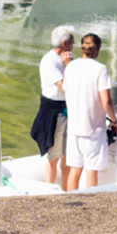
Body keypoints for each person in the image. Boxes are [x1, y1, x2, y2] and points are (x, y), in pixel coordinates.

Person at [61, 32, 114, 190]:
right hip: (93, 129)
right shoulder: (100, 69)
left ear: (82, 48)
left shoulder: (70, 67)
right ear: (97, 49)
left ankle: (71, 201)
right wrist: (114, 121)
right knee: (91, 171)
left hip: (74, 128)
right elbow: (107, 101)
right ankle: (90, 202)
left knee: (75, 170)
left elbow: (66, 90)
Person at [29, 25, 75, 185]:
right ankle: (50, 190)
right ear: (64, 43)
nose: (74, 44)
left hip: (68, 109)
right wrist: (69, 66)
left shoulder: (67, 57)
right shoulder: (50, 61)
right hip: (54, 111)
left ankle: (67, 191)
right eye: (72, 41)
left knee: (68, 157)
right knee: (54, 157)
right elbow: (65, 87)